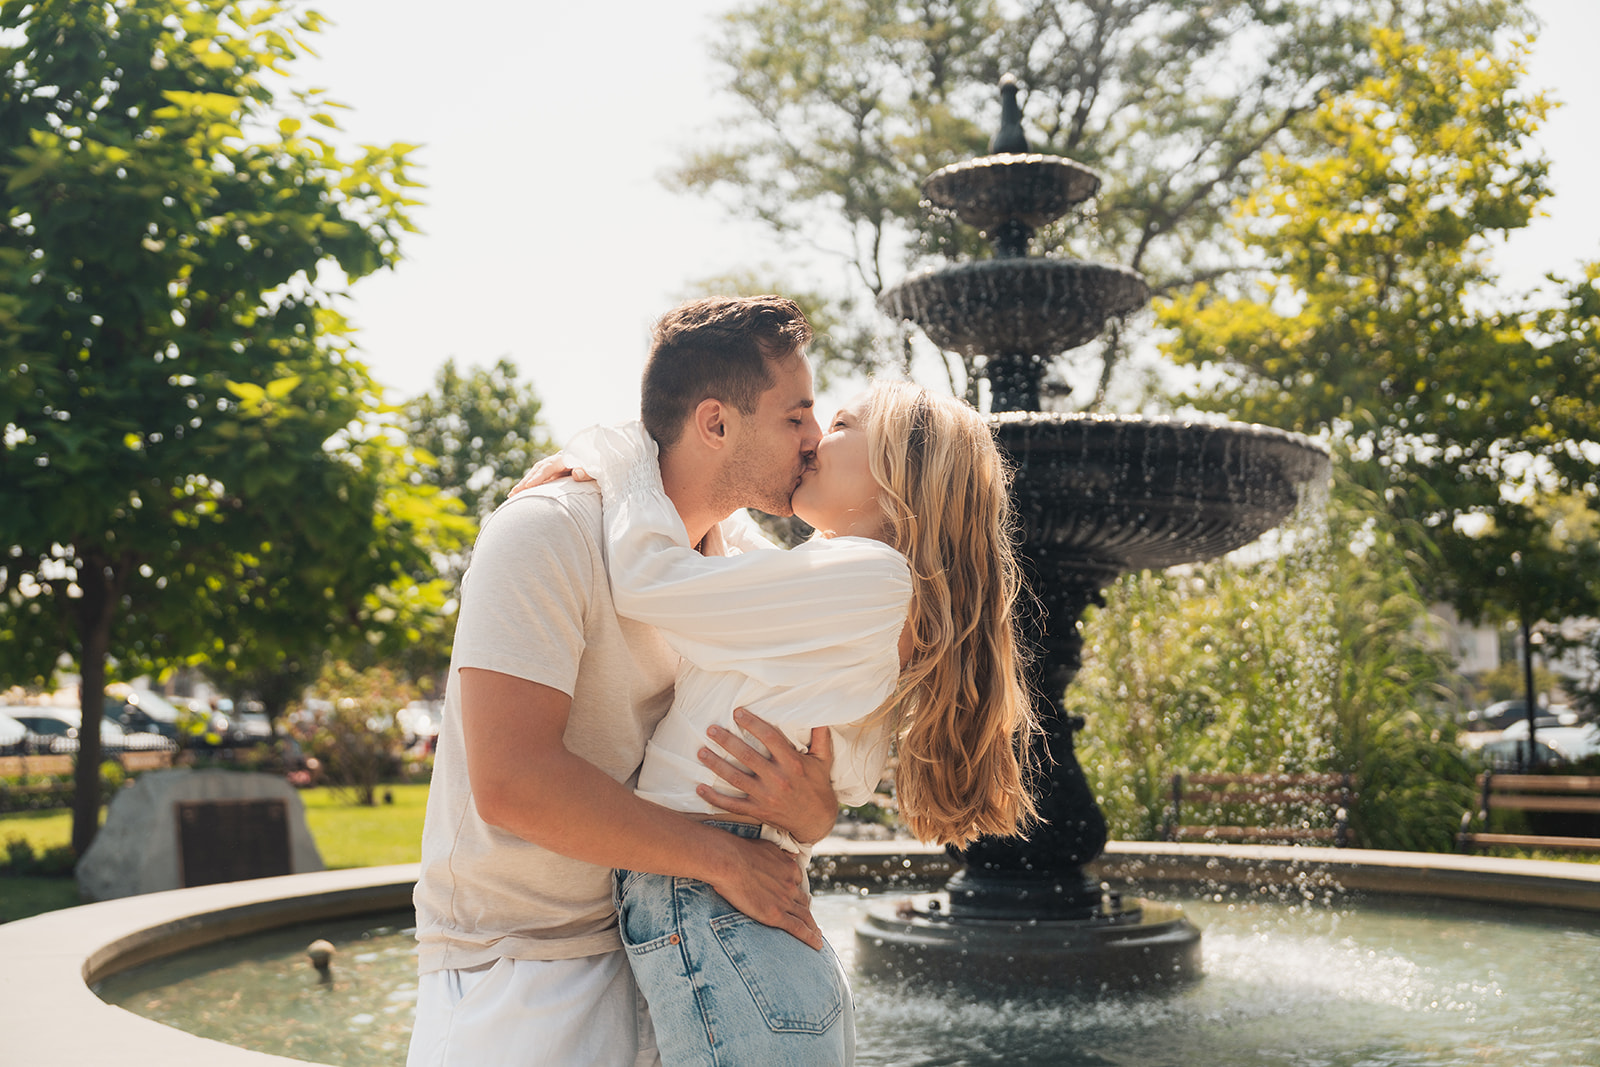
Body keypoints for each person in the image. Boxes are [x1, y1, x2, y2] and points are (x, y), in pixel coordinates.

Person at [408, 296, 850, 1067]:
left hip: (667, 956)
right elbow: (513, 781)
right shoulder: (547, 531)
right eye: (795, 416)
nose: (815, 440)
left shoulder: (738, 565)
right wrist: (727, 862)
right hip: (524, 970)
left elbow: (787, 783)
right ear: (716, 422)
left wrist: (815, 810)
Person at [556, 379, 1040, 1065]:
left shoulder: (871, 579)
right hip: (735, 899)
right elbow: (739, 561)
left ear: (898, 478)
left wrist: (628, 452)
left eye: (840, 424)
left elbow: (650, 581)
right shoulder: (863, 583)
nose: (811, 438)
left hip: (714, 894)